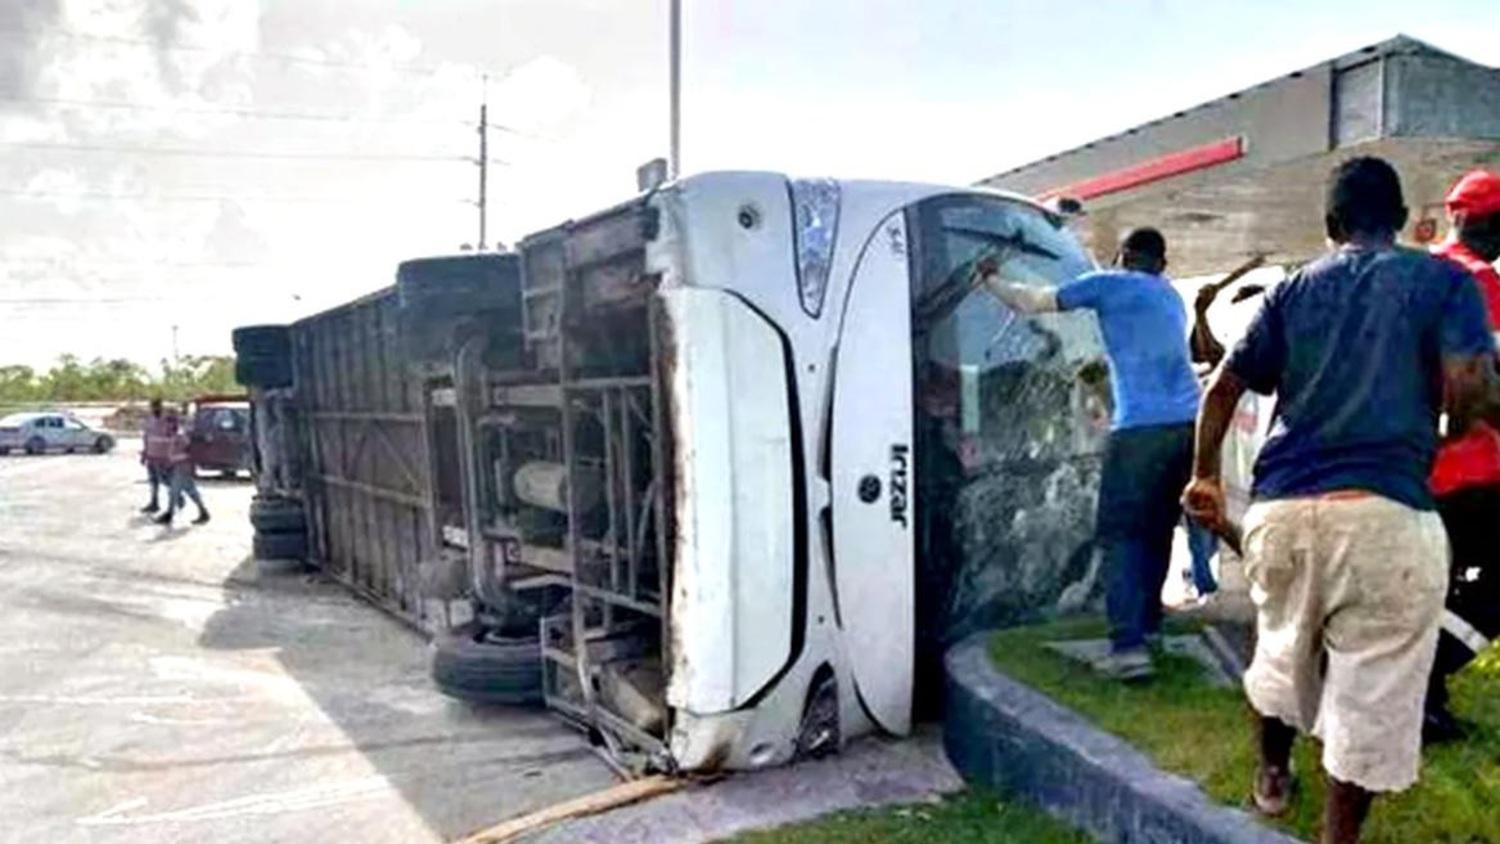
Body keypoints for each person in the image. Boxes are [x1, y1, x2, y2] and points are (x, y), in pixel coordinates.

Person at [1183, 157, 1498, 844]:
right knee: (1372, 690)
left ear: (1331, 225)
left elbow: (1223, 389)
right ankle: (1337, 839)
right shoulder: (1445, 282)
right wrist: (1446, 428)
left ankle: (1271, 777)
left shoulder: (1293, 289)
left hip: (1284, 512)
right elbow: (1473, 389)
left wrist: (1205, 476)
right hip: (1388, 515)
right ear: (1401, 216)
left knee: (1279, 655)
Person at [979, 226, 1202, 680]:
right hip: (1187, 430)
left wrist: (990, 280)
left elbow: (1034, 302)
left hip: (1140, 430)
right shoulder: (1170, 296)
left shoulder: (1110, 284)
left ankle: (1127, 648)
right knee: (1157, 531)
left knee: (1121, 537)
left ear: (1121, 256)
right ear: (1162, 263)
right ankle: (1149, 628)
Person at [1424, 168, 1500, 742]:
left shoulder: (1423, 272)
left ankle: (1424, 698)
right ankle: (1425, 675)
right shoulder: (1479, 281)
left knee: (1436, 585)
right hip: (1470, 467)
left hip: (1416, 467)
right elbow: (1485, 383)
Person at [154, 411, 210, 526]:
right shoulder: (175, 436)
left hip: (182, 467)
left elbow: (188, 452)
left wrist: (174, 459)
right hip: (180, 466)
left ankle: (169, 514)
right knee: (191, 491)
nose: (166, 427)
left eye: (168, 424)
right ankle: (203, 512)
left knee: (174, 491)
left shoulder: (180, 437)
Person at [139, 398, 173, 513]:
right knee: (153, 481)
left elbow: (173, 437)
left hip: (163, 456)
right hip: (151, 455)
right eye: (153, 407)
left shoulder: (167, 420)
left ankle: (176, 499)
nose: (154, 409)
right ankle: (154, 503)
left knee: (165, 480)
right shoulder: (149, 420)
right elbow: (146, 437)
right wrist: (144, 454)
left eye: (156, 406)